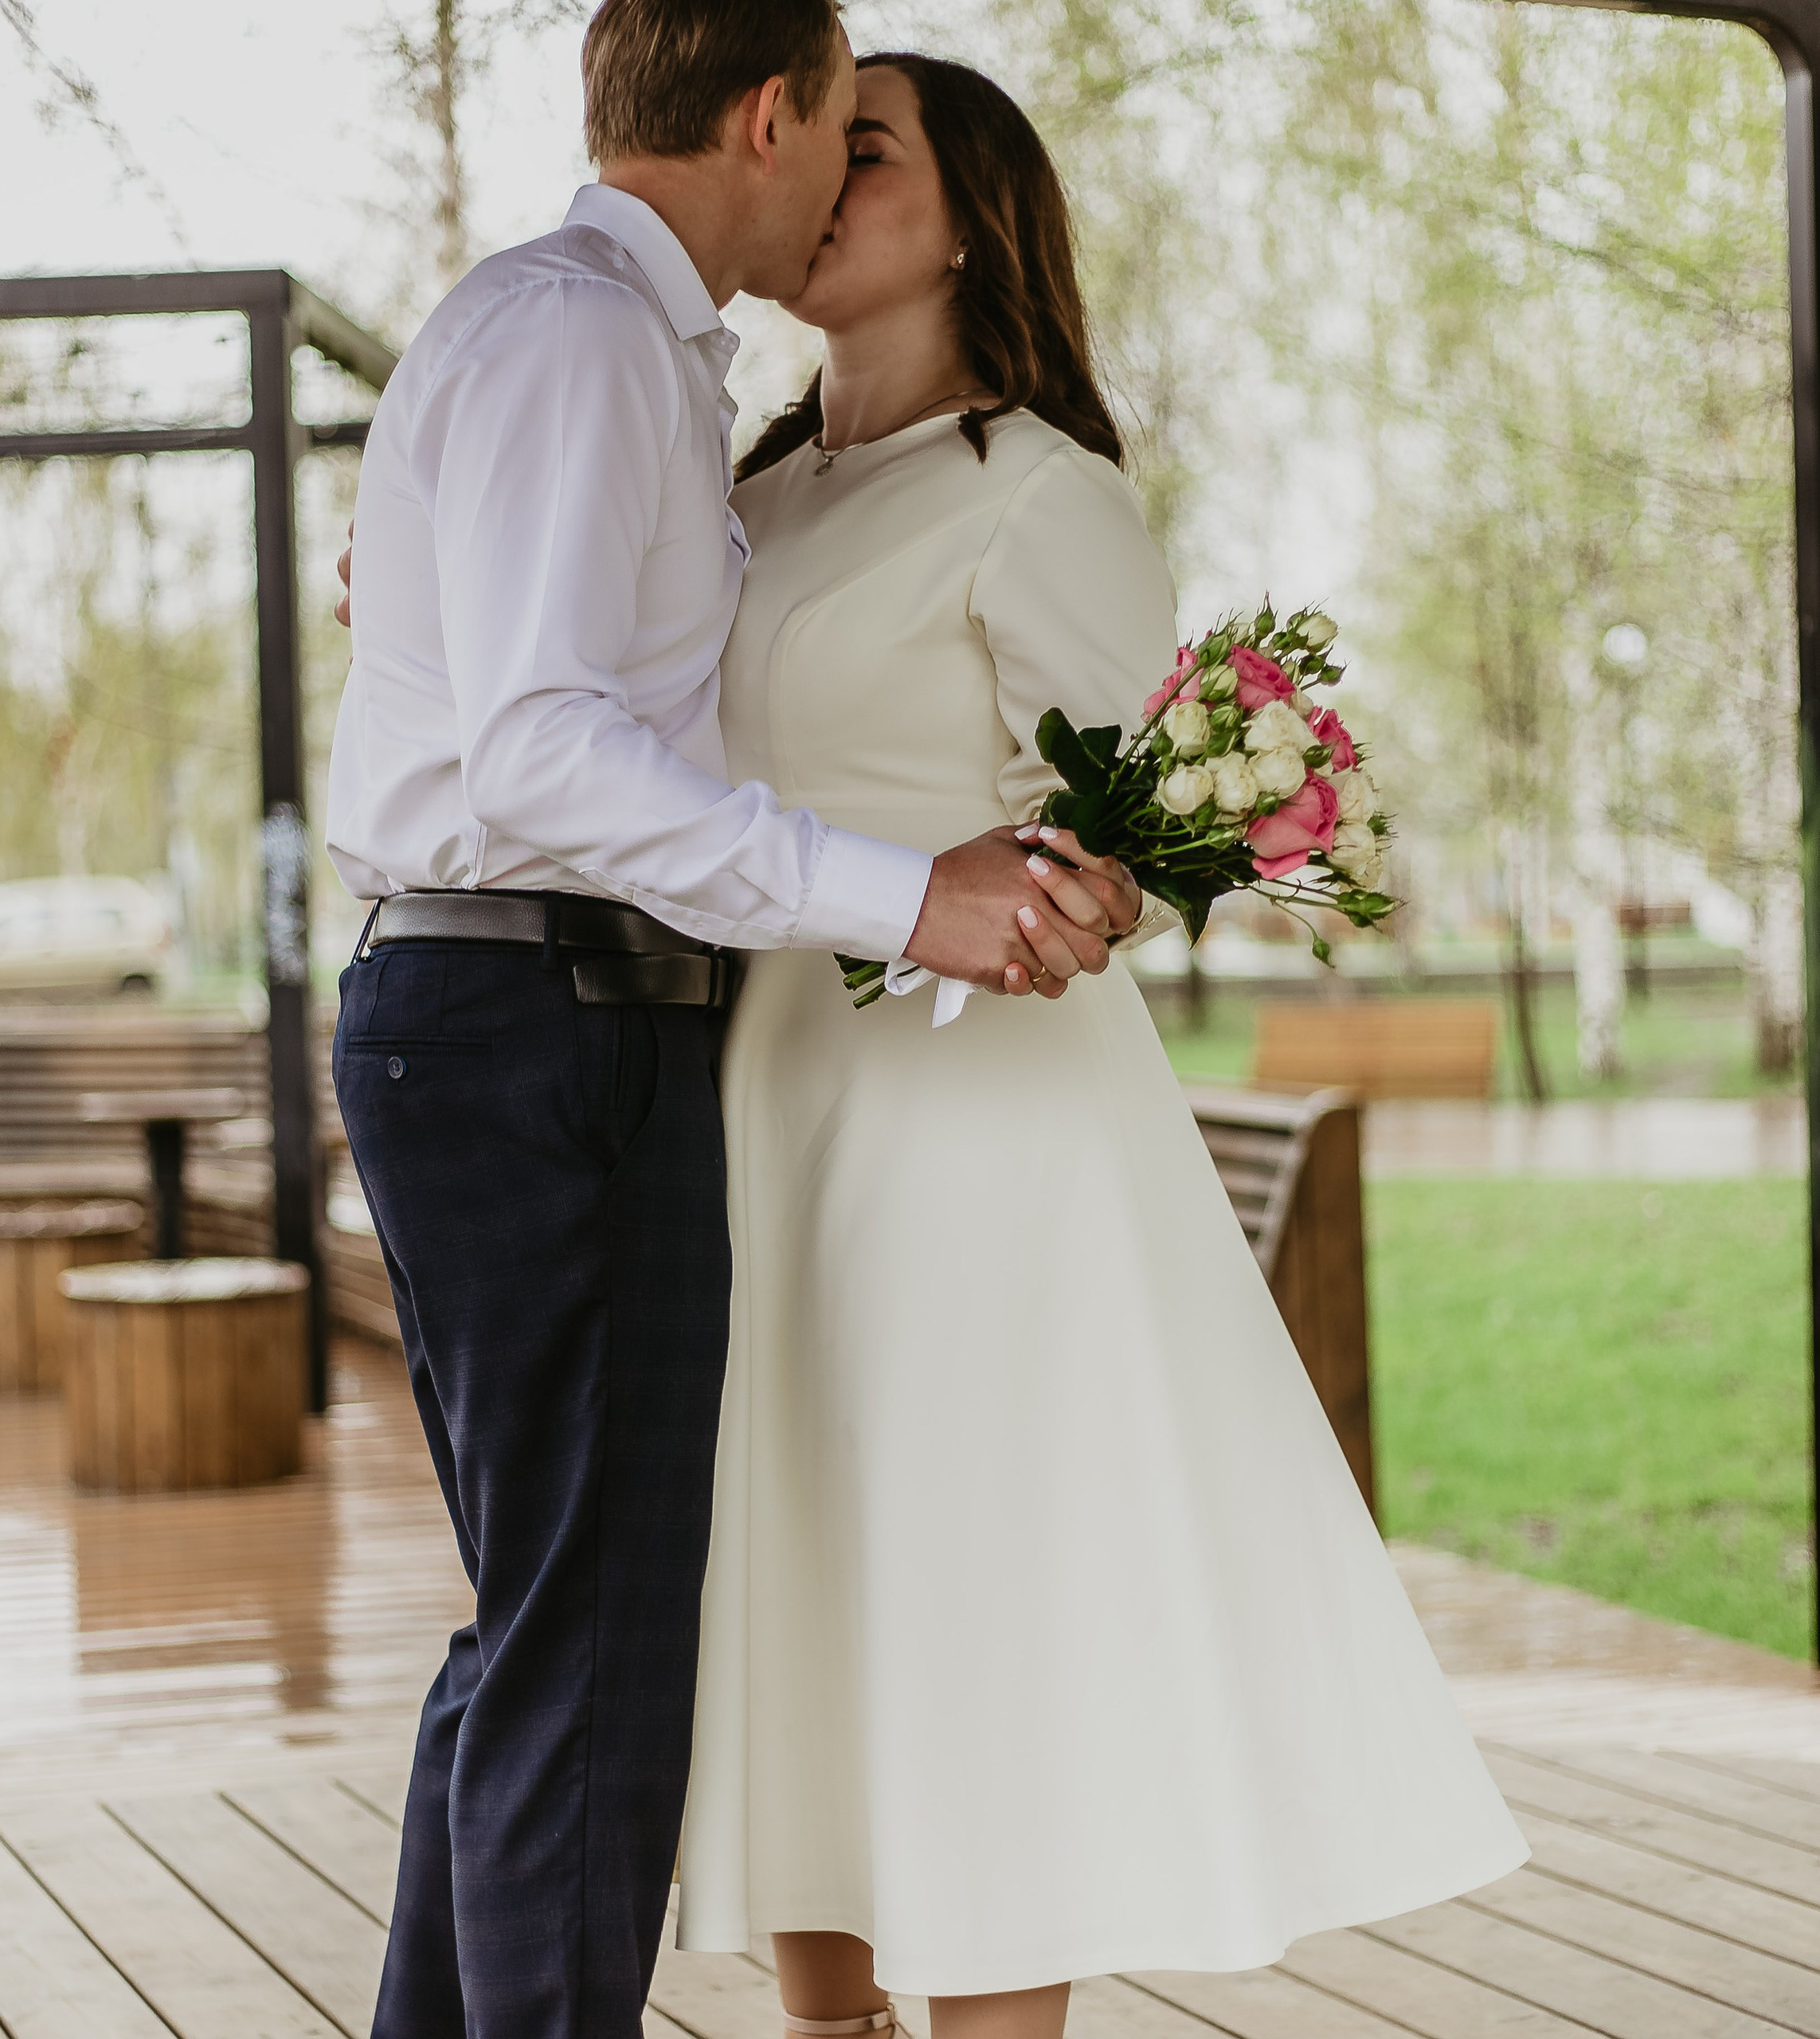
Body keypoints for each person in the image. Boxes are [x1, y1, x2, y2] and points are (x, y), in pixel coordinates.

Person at [670, 51, 1532, 2039]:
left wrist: (1094, 890)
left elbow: (1120, 832)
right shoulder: (742, 496)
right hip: (765, 1104)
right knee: (805, 1585)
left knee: (969, 1609)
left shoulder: (1037, 492)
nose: (813, 174)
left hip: (974, 1139)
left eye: (864, 146)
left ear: (973, 219)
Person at [323, 6, 1137, 2038]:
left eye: (886, 150)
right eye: (844, 128)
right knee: (581, 1650)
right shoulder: (595, 341)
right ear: (769, 115)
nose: (842, 169)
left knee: (548, 1636)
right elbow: (544, 752)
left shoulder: (622, 361)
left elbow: (591, 693)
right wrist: (910, 894)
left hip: (579, 1025)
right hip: (543, 1012)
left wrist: (432, 583)